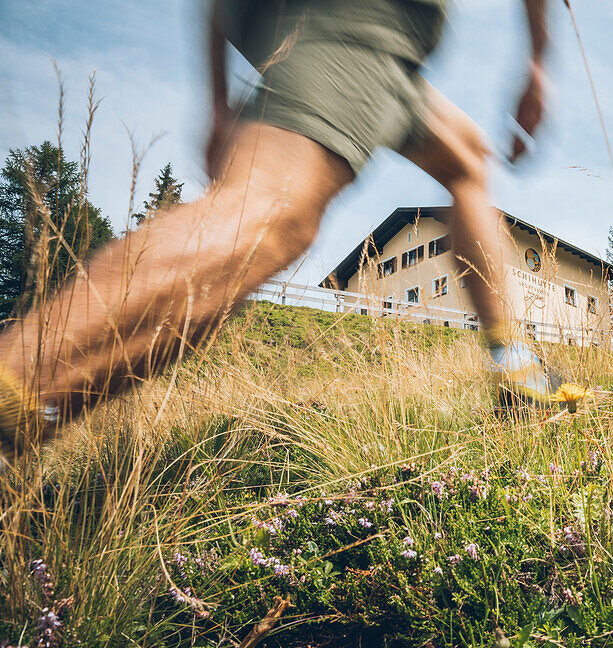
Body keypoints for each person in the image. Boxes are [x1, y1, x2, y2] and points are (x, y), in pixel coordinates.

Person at [0, 0, 570, 463]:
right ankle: (15, 380)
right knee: (267, 221)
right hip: (356, 24)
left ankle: (516, 367)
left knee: (466, 160)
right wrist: (540, 59)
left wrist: (219, 99)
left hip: (375, 52)